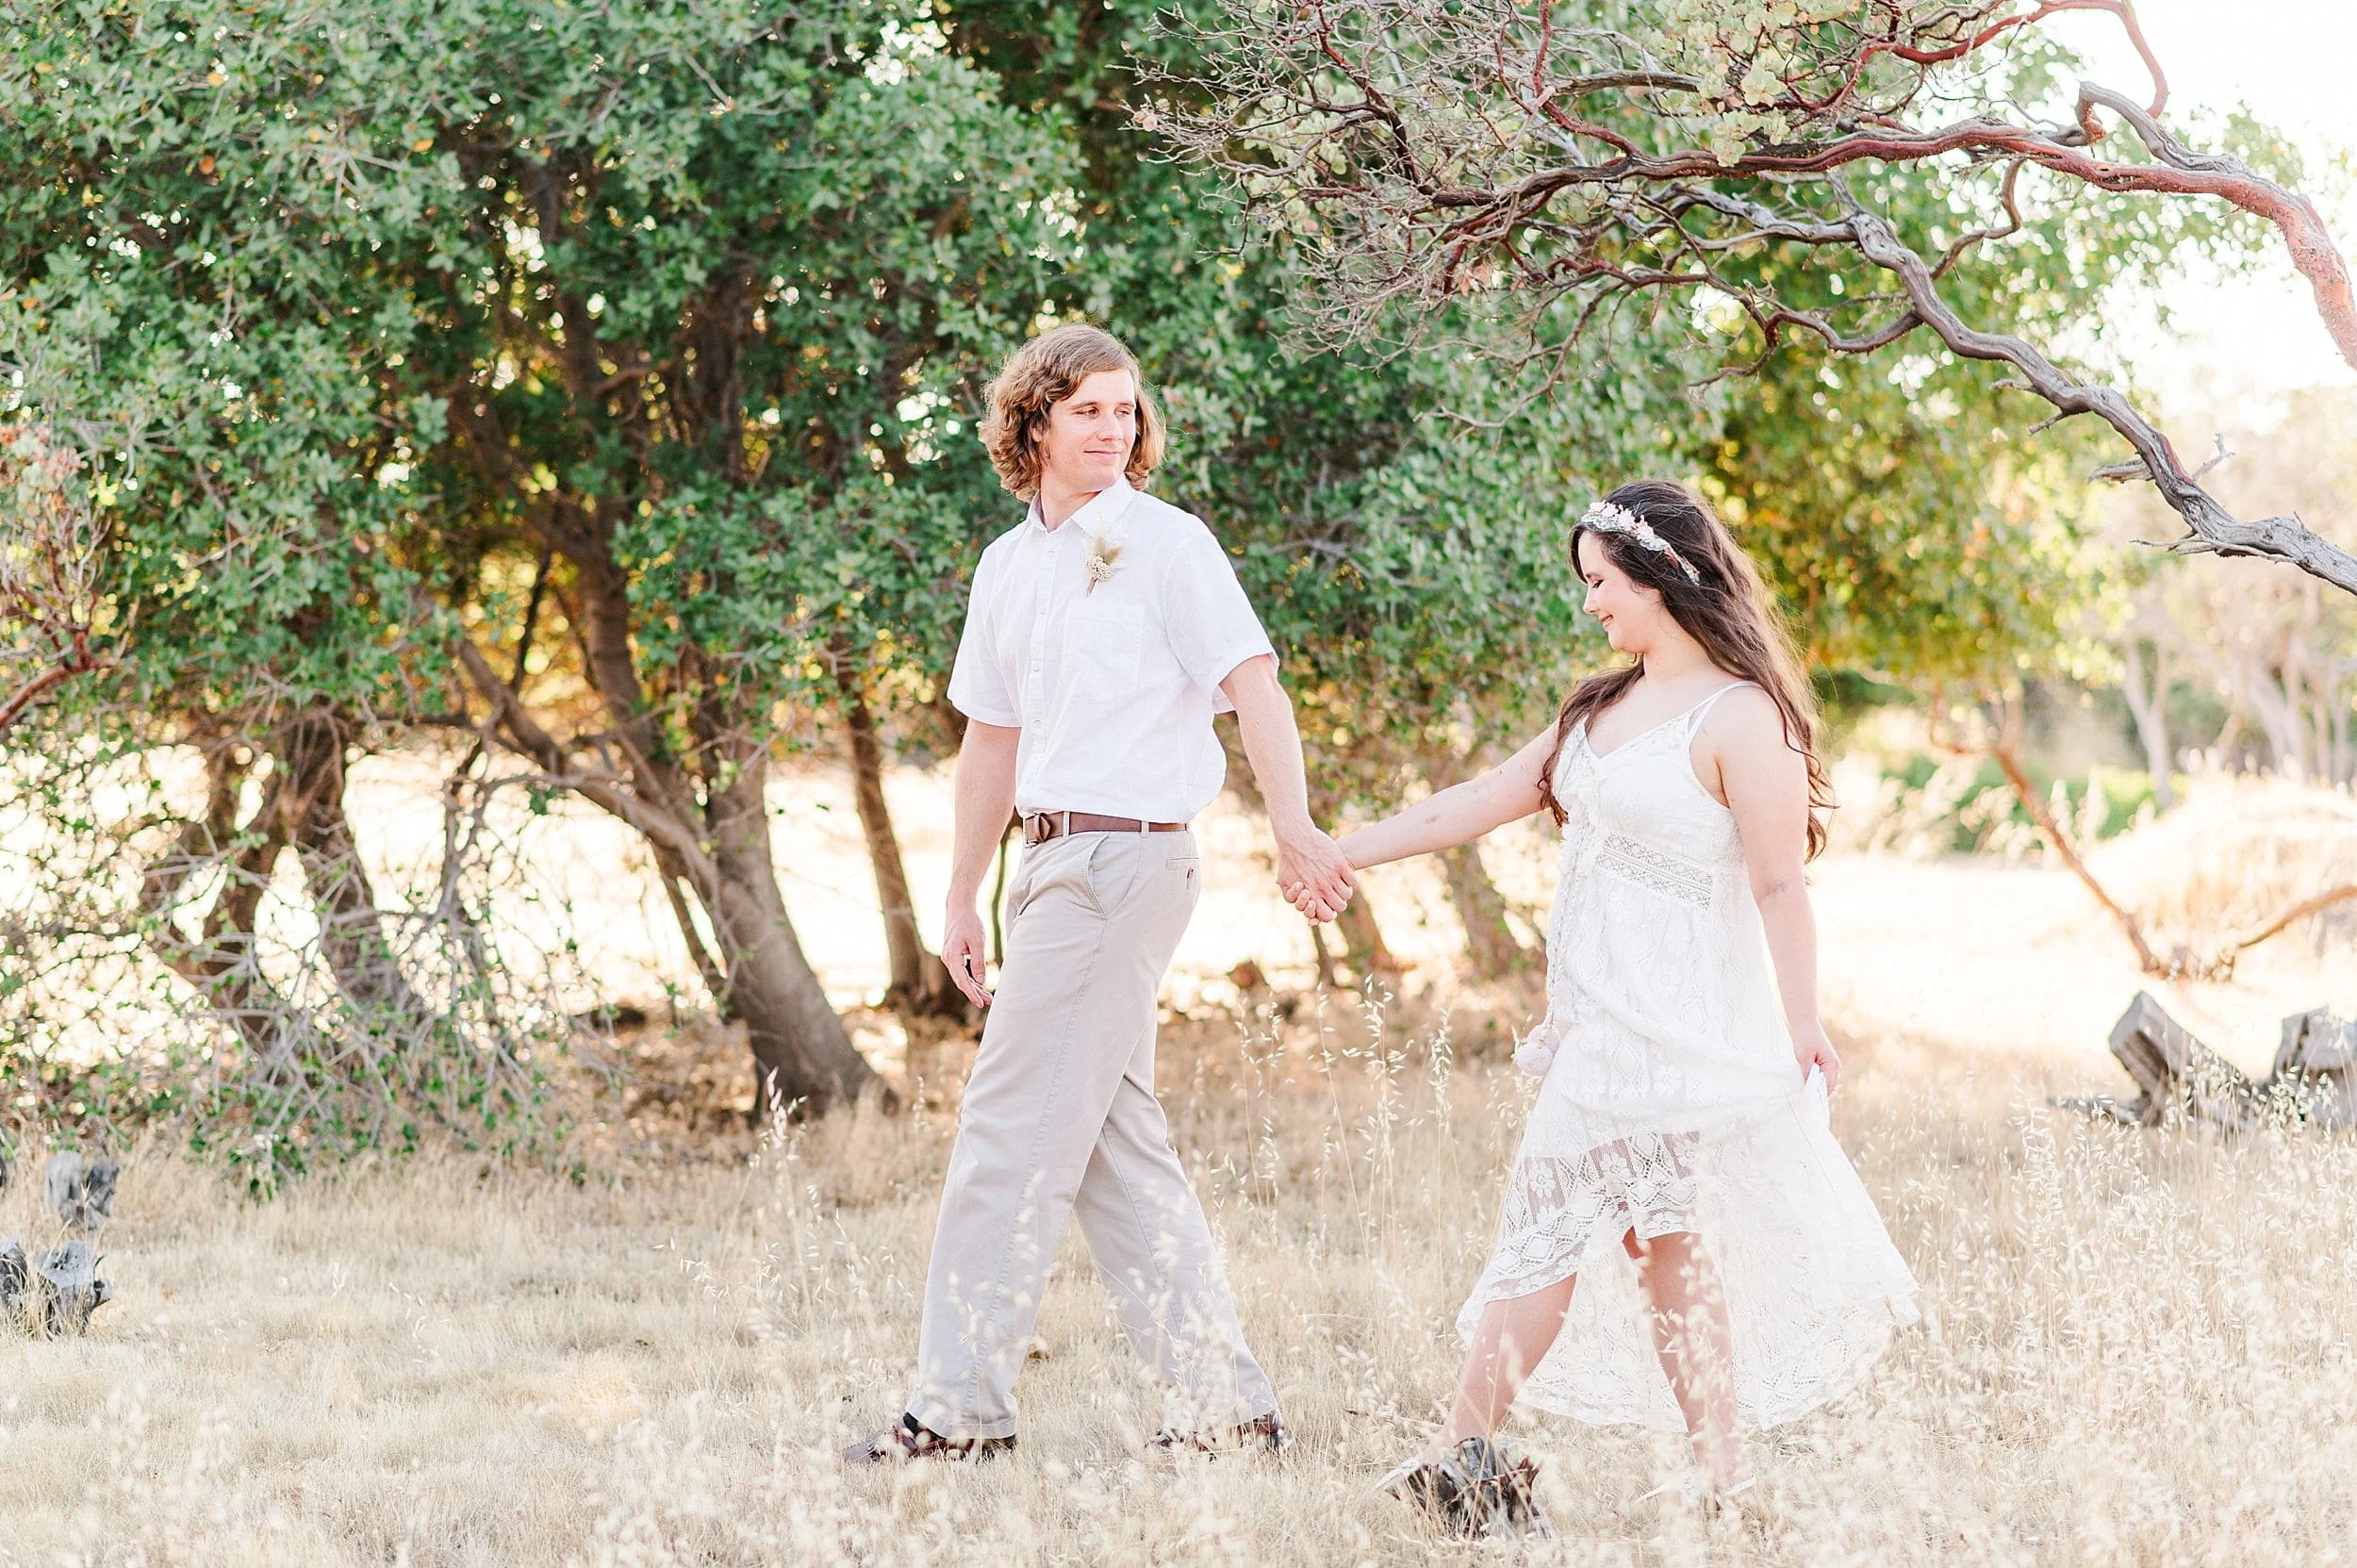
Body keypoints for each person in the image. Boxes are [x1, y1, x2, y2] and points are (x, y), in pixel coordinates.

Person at [1322, 480, 1919, 1537]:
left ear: (1662, 576)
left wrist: (1804, 1023)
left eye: (1601, 583)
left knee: (1567, 1230)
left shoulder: (1744, 717)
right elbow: (1479, 799)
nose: (1591, 603)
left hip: (1678, 1031)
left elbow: (1781, 884)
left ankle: (1461, 1459)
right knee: (1656, 1245)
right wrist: (1342, 850)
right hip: (1598, 1025)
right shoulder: (1597, 710)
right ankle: (1710, 1477)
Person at [845, 324, 1356, 1464]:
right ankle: (1227, 1411)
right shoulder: (1005, 564)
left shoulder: (1171, 545)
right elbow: (990, 738)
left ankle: (958, 1412)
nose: (1113, 429)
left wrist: (1292, 826)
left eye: (1125, 411)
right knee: (1113, 1150)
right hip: (1044, 867)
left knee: (1004, 1132)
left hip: (1128, 861)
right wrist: (963, 893)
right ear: (1031, 423)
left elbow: (1253, 687)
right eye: (1087, 410)